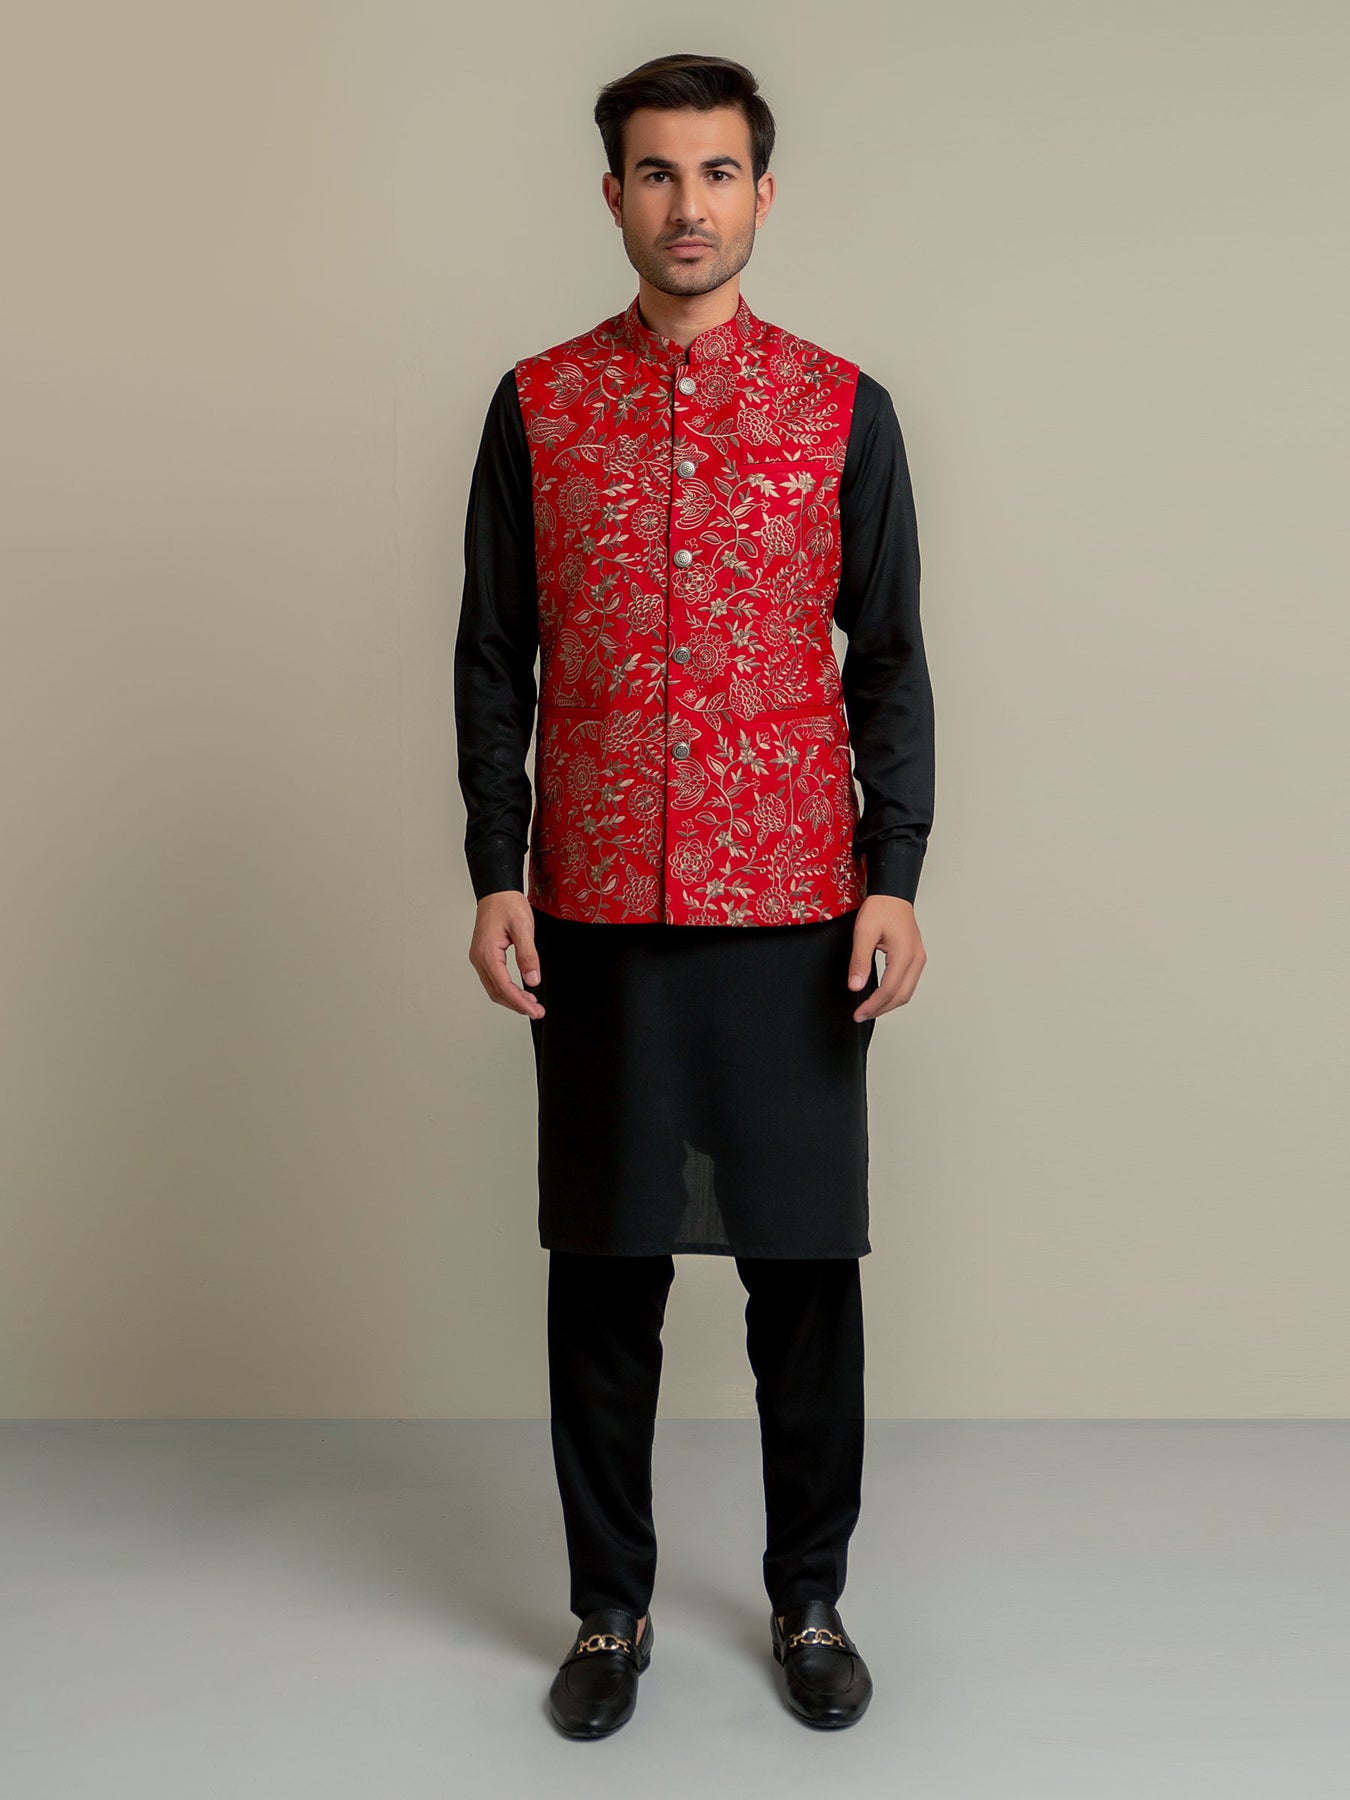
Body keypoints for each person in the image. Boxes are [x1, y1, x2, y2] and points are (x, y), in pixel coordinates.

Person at [453, 51, 935, 1738]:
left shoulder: (840, 408)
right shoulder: (536, 406)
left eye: (716, 172)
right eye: (656, 173)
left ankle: (810, 1598)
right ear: (613, 195)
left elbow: (889, 659)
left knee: (802, 1275)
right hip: (595, 907)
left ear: (761, 195)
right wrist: (493, 866)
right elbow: (494, 656)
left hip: (794, 909)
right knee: (604, 1273)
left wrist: (893, 876)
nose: (687, 205)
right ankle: (609, 1613)